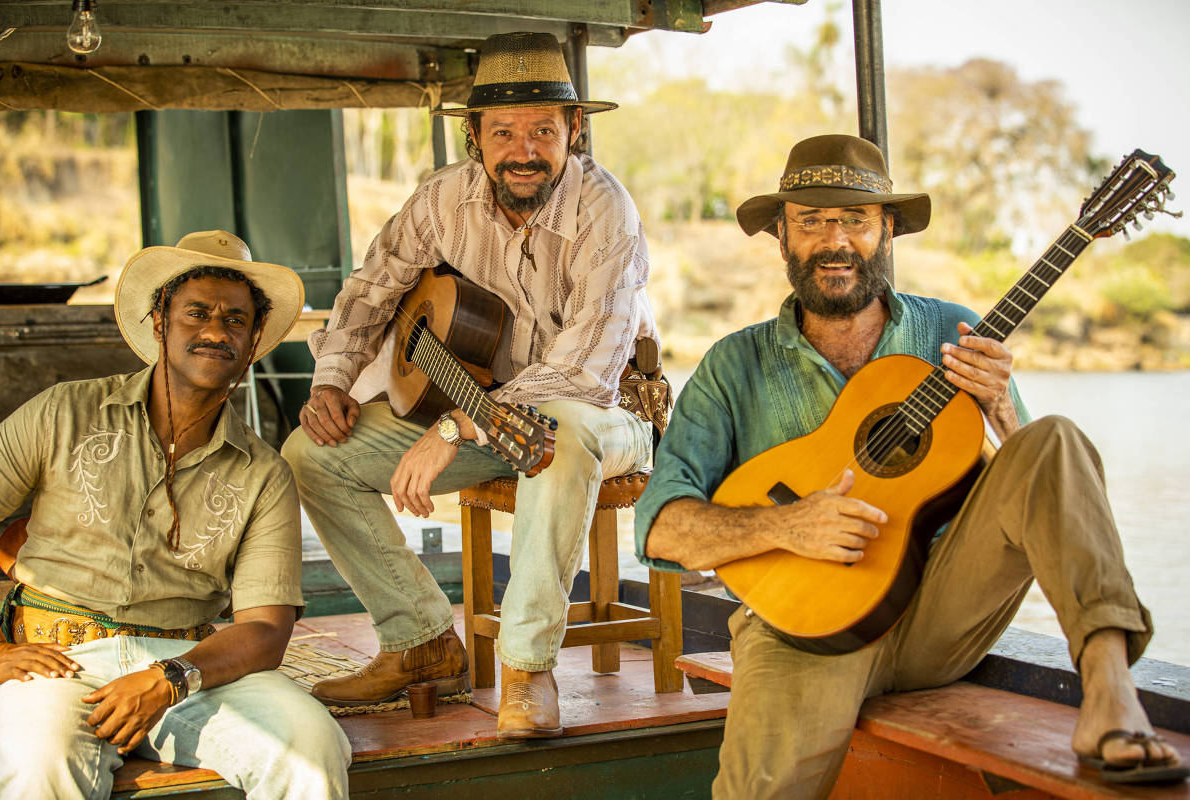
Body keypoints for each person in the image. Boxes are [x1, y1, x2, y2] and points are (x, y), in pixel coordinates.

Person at [636, 135, 1187, 797]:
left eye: (856, 220)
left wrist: (1001, 414)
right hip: (804, 629)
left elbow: (1035, 485)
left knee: (1054, 439)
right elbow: (658, 527)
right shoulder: (735, 365)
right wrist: (784, 528)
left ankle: (1110, 694)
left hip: (942, 613)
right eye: (810, 221)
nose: (834, 239)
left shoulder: (954, 334)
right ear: (781, 237)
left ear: (887, 231)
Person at [281, 31, 659, 739]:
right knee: (311, 456)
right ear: (474, 138)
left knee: (556, 435)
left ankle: (527, 667)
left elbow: (581, 375)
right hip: (483, 417)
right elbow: (371, 290)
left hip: (607, 415)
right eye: (504, 132)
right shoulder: (442, 199)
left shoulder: (608, 212)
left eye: (544, 130)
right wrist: (332, 380)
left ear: (574, 132)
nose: (524, 151)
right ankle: (423, 643)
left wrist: (452, 427)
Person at [0, 231, 351, 799]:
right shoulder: (65, 411)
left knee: (310, 747)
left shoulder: (263, 473)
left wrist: (169, 678)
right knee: (39, 762)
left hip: (189, 667)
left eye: (236, 319)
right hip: (58, 660)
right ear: (159, 321)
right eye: (197, 313)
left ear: (254, 337)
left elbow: (263, 629)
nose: (216, 330)